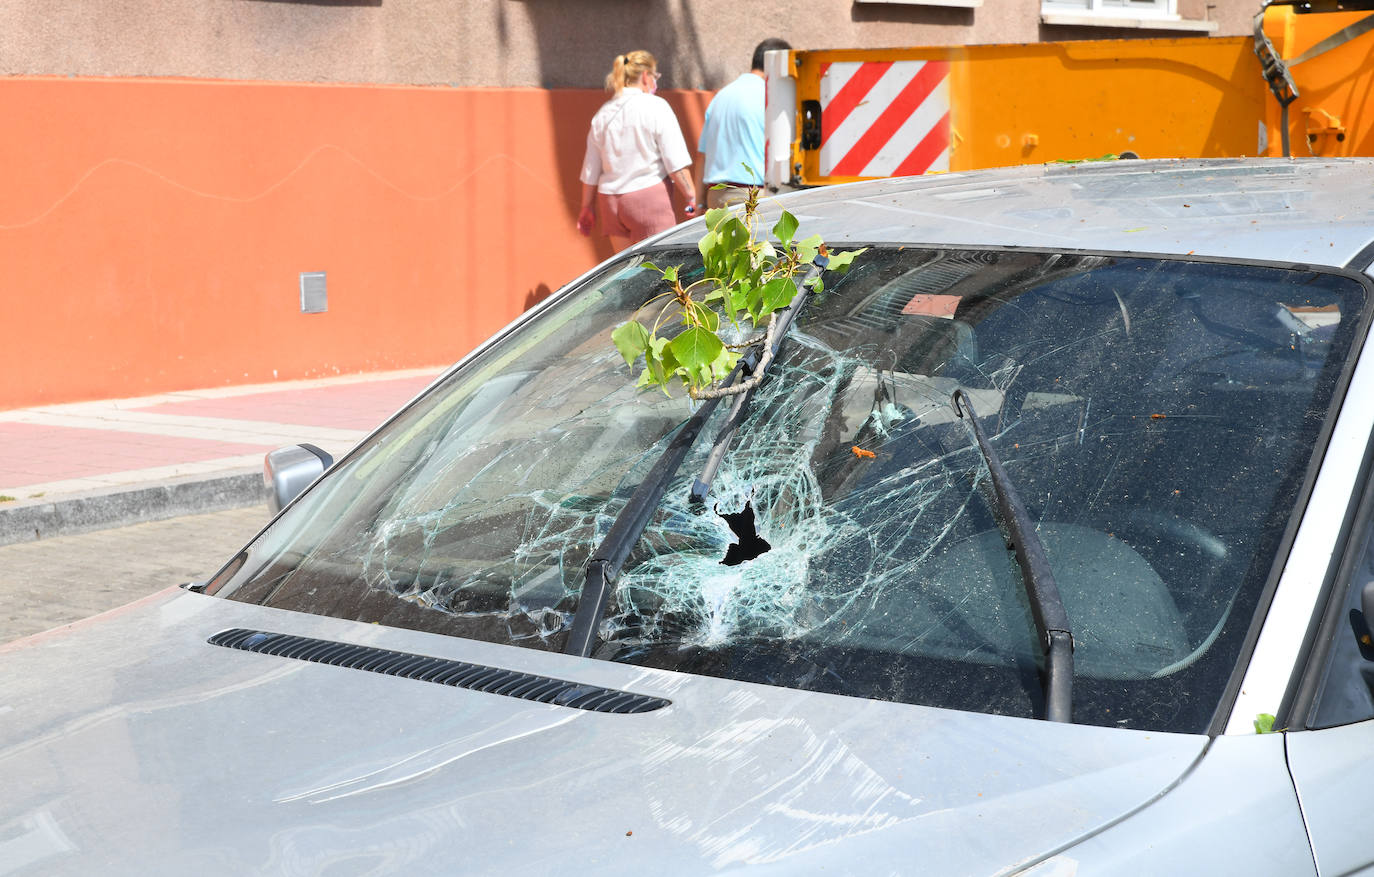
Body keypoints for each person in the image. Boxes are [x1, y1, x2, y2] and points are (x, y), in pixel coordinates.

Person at [577, 51, 697, 248]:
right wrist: (691, 196)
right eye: (655, 77)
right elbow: (675, 162)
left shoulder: (603, 114)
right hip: (648, 197)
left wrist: (586, 207)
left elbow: (591, 169)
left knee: (626, 273)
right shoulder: (656, 106)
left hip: (610, 202)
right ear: (645, 76)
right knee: (661, 269)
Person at [698, 38, 791, 210]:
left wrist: (700, 203)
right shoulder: (772, 97)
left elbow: (702, 156)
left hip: (717, 197)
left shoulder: (721, 96)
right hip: (754, 196)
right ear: (779, 64)